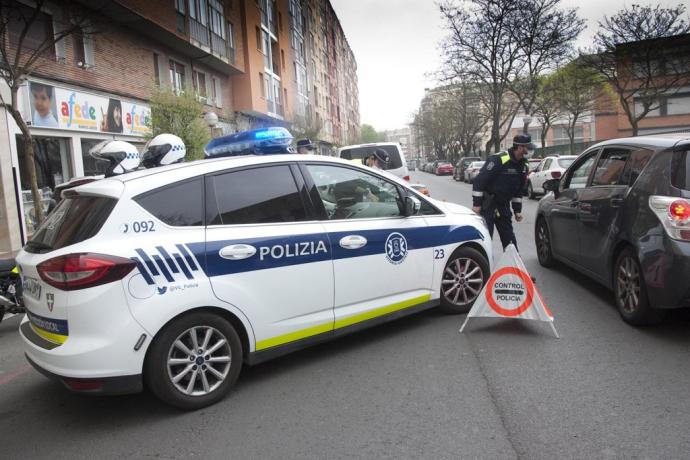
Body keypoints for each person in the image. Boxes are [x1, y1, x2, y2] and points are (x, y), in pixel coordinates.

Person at [472, 134, 534, 250]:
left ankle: (514, 266)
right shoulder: (499, 159)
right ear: (520, 147)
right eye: (528, 147)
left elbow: (518, 191)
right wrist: (477, 204)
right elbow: (479, 181)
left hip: (503, 206)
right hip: (488, 205)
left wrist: (517, 210)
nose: (530, 150)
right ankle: (485, 266)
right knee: (485, 240)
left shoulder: (524, 165)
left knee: (510, 241)